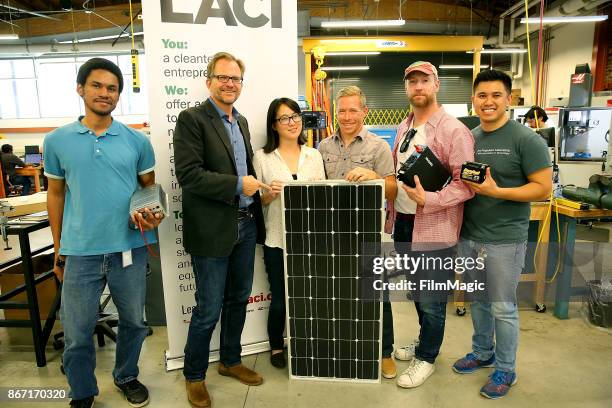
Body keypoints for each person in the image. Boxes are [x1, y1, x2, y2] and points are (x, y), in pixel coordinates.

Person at [44, 57, 164, 408]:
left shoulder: (136, 141)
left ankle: (126, 375)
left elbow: (148, 188)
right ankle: (82, 391)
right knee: (78, 333)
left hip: (128, 248)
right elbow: (56, 194)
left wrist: (150, 214)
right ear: (80, 89)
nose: (105, 93)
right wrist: (58, 249)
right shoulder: (57, 141)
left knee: (134, 323)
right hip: (79, 252)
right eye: (96, 85)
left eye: (112, 88)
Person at [173, 52, 270, 408]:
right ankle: (194, 376)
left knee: (237, 299)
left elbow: (242, 171)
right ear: (209, 80)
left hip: (245, 225)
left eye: (236, 79)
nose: (230, 84)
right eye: (223, 77)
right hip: (212, 230)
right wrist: (237, 185)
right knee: (208, 308)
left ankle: (230, 360)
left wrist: (258, 188)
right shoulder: (192, 119)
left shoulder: (240, 121)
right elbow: (189, 175)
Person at [452, 69, 551, 399]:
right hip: (470, 234)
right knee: (479, 301)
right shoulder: (469, 138)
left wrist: (497, 192)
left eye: (496, 95)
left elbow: (542, 189)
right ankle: (483, 353)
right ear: (474, 100)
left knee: (502, 307)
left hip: (505, 238)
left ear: (509, 99)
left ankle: (506, 369)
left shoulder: (526, 139)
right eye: (482, 95)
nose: (488, 101)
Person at [384, 61, 475, 388]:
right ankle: (424, 342)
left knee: (433, 300)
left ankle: (427, 358)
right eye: (413, 82)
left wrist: (431, 200)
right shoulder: (403, 125)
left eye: (425, 81)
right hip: (404, 224)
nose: (418, 87)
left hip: (434, 228)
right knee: (419, 294)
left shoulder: (453, 130)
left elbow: (466, 184)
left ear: (436, 85)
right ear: (406, 88)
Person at [318, 85, 398, 379]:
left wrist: (375, 176)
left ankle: (384, 351)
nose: (347, 116)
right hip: (332, 233)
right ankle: (342, 345)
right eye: (342, 110)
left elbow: (392, 189)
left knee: (378, 293)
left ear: (364, 111)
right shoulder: (323, 147)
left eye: (354, 110)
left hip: (367, 233)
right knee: (337, 292)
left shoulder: (378, 147)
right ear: (335, 113)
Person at [253, 97, 325, 369]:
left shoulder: (314, 155)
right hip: (277, 239)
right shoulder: (262, 157)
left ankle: (306, 341)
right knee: (280, 298)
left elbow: (323, 198)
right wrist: (269, 195)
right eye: (284, 118)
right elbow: (255, 202)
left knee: (309, 295)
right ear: (274, 125)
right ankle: (275, 346)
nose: (292, 122)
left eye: (295, 116)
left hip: (309, 241)